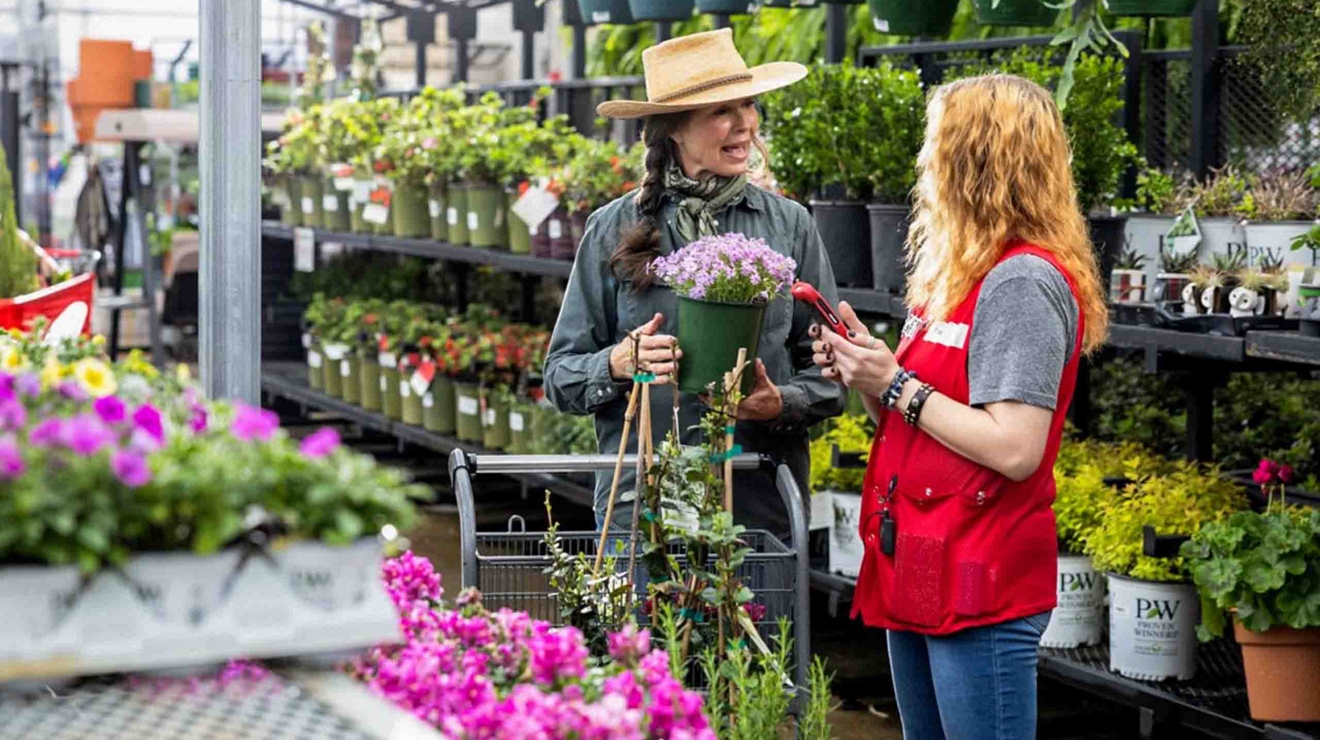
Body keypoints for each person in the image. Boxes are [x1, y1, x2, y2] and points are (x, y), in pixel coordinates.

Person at [811, 74, 1109, 739]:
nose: (925, 161)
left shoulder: (1021, 280)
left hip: (981, 575)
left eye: (935, 143)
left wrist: (895, 384)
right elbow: (914, 423)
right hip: (923, 563)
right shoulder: (954, 277)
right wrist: (869, 376)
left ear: (973, 161)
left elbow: (1015, 447)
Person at [544, 29, 845, 534]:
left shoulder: (788, 225)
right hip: (643, 514)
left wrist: (781, 402)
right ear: (675, 130)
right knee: (645, 592)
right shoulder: (613, 227)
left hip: (755, 507)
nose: (746, 124)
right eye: (722, 111)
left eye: (748, 105)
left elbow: (832, 372)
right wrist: (617, 363)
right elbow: (559, 375)